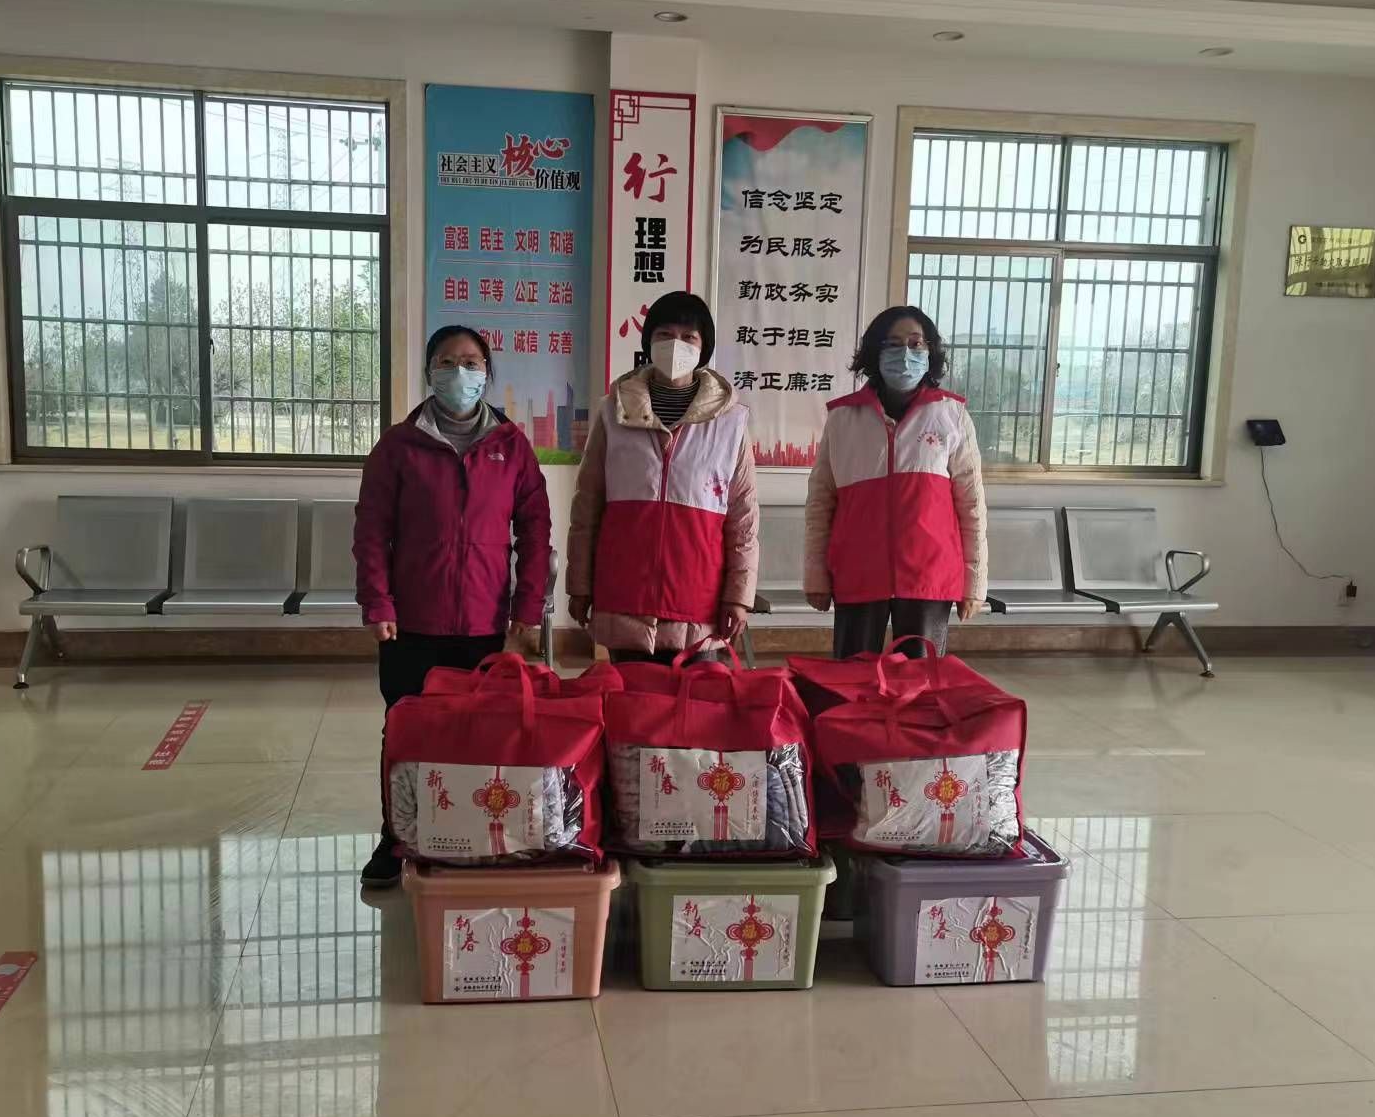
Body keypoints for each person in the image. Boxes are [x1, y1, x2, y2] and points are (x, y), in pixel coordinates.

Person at [353, 324, 550, 885]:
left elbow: (535, 531)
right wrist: (377, 602)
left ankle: (467, 833)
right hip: (412, 623)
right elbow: (372, 530)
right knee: (406, 734)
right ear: (429, 372)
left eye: (471, 362)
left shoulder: (511, 446)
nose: (459, 372)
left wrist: (526, 610)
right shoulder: (398, 446)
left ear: (487, 372)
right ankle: (396, 838)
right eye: (446, 361)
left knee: (479, 733)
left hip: (485, 625)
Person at [567, 291, 758, 663]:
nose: (676, 345)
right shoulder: (612, 413)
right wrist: (580, 584)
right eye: (665, 334)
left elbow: (743, 517)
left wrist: (739, 596)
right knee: (630, 699)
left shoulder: (731, 422)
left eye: (689, 337)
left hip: (698, 602)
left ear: (703, 348)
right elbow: (587, 506)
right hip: (625, 596)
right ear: (648, 341)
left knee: (697, 700)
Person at [803, 305, 986, 659]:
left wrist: (974, 582)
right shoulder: (843, 418)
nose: (905, 354)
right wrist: (815, 574)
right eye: (893, 343)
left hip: (928, 576)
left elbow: (972, 505)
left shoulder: (951, 415)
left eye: (916, 343)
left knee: (921, 680)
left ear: (930, 351)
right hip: (858, 572)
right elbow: (821, 502)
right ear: (875, 351)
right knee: (853, 678)